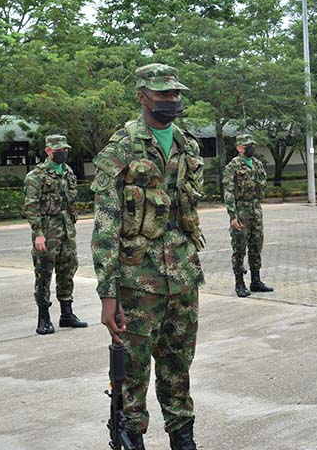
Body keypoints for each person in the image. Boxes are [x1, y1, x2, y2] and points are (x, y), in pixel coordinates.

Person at [91, 63, 205, 450]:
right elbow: (105, 226)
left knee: (178, 368)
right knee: (133, 373)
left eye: (176, 94)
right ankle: (130, 437)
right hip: (137, 283)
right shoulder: (120, 148)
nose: (172, 101)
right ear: (142, 97)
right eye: (163, 95)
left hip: (184, 278)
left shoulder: (188, 143)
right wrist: (108, 295)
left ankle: (183, 440)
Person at [23, 134, 87, 335]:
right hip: (47, 230)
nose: (63, 153)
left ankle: (66, 314)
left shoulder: (68, 172)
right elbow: (31, 207)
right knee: (44, 273)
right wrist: (38, 234)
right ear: (48, 151)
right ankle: (44, 316)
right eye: (58, 151)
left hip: (67, 229)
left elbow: (70, 202)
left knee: (68, 270)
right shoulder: (36, 176)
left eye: (65, 150)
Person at [223, 134, 274, 296]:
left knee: (256, 245)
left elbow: (262, 185)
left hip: (256, 210)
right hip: (241, 211)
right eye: (247, 145)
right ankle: (239, 283)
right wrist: (232, 216)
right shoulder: (233, 166)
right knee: (239, 248)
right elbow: (228, 191)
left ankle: (256, 281)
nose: (251, 148)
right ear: (239, 148)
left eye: (252, 145)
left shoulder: (257, 164)